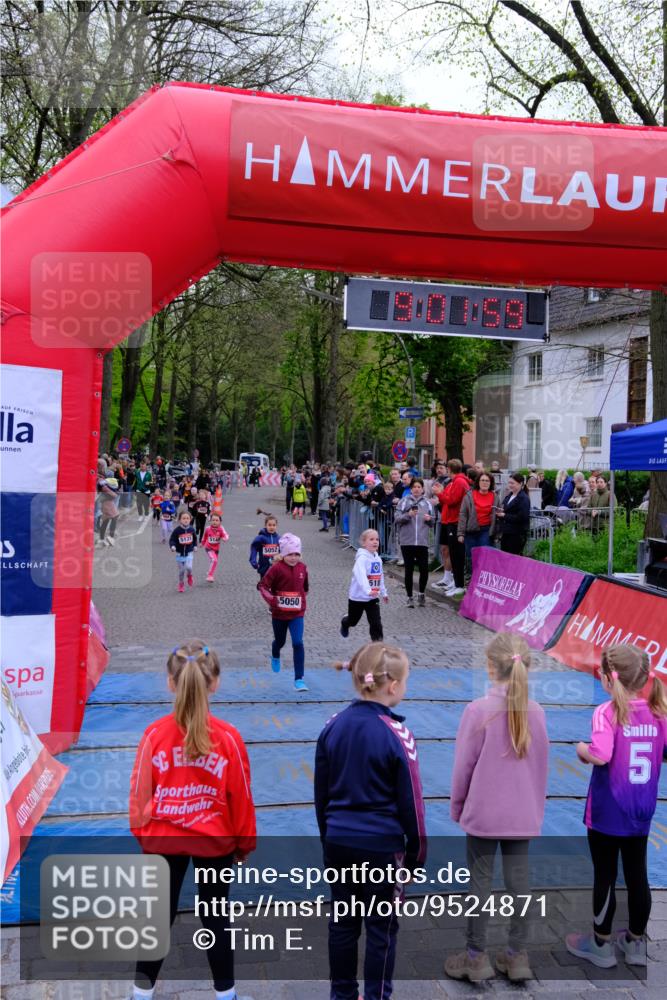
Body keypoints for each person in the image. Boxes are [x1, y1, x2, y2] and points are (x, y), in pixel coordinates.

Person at [129, 639, 256, 1000]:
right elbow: (242, 799)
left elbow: (138, 793)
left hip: (162, 841)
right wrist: (244, 843)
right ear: (215, 682)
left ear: (170, 682)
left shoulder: (154, 735)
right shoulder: (228, 738)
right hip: (214, 841)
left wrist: (144, 834)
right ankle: (225, 994)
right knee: (216, 917)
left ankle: (141, 994)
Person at [315, 642, 426, 1000]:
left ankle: (342, 994)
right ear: (391, 685)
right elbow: (413, 804)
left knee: (343, 925)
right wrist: (415, 857)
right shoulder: (398, 735)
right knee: (381, 930)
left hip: (339, 842)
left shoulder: (332, 726)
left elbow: (321, 794)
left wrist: (327, 840)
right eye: (406, 681)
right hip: (382, 850)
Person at [446, 633, 548, 983]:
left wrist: (458, 807)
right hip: (522, 814)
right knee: (520, 884)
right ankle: (517, 956)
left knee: (480, 885)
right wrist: (534, 810)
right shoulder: (537, 712)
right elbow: (541, 767)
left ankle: (476, 958)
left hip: (484, 816)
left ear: (490, 668)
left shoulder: (478, 711)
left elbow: (464, 766)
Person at [565, 644, 667, 970]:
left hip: (608, 812)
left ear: (610, 678)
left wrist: (582, 749)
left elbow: (601, 754)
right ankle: (636, 943)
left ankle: (601, 944)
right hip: (641, 810)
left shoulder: (606, 712)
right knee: (638, 875)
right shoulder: (659, 712)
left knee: (605, 875)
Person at [258, 533, 309, 691]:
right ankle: (275, 653)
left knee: (298, 643)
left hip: (296, 614)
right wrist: (272, 600)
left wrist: (300, 599)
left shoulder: (302, 568)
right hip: (279, 614)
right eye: (290, 554)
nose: (293, 558)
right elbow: (262, 586)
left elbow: (305, 587)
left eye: (296, 554)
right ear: (283, 554)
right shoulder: (276, 568)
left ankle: (299, 679)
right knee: (280, 642)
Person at [340, 529, 388, 641]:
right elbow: (360, 576)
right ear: (363, 543)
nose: (375, 542)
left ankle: (377, 645)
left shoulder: (378, 559)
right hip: (358, 598)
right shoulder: (361, 559)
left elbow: (379, 576)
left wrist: (384, 592)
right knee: (353, 621)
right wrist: (367, 590)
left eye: (377, 539)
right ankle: (345, 622)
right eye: (371, 539)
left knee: (376, 623)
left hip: (372, 598)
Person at [433, 459, 470, 597]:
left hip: (455, 522)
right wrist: (442, 492)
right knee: (454, 554)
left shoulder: (459, 482)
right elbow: (449, 498)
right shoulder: (455, 482)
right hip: (451, 521)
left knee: (457, 554)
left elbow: (452, 501)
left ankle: (459, 585)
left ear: (449, 469)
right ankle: (456, 583)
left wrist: (439, 493)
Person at [394, 478, 434, 607]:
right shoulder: (404, 501)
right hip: (407, 541)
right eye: (414, 487)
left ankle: (421, 594)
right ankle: (409, 596)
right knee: (409, 570)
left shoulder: (427, 503)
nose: (417, 489)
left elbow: (433, 522)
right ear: (411, 489)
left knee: (424, 569)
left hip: (422, 542)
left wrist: (429, 519)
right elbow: (397, 519)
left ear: (422, 489)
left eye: (419, 487)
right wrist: (408, 515)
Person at [457, 472, 496, 560]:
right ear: (478, 482)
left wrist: (497, 534)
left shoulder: (495, 497)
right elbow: (463, 515)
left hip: (486, 530)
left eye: (487, 481)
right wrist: (460, 534)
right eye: (482, 480)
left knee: (484, 556)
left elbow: (497, 515)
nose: (485, 482)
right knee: (471, 557)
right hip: (470, 530)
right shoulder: (469, 496)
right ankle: (472, 574)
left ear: (491, 483)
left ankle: (481, 573)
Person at [497, 473, 531, 556]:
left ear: (521, 484)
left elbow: (522, 517)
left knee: (513, 560)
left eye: (512, 483)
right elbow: (506, 509)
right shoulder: (509, 495)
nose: (510, 485)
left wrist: (504, 515)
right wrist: (500, 511)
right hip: (507, 532)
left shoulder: (524, 498)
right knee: (505, 558)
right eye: (509, 483)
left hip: (517, 535)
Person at [169, 510, 197, 593]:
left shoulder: (192, 529)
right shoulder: (177, 530)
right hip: (179, 553)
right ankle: (181, 583)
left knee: (189, 567)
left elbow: (195, 539)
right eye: (184, 518)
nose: (186, 520)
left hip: (189, 553)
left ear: (190, 519)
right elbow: (172, 540)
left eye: (187, 518)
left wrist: (195, 546)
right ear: (180, 520)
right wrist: (173, 546)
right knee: (181, 571)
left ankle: (189, 575)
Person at [249, 511, 281, 580]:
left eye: (274, 525)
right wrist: (253, 560)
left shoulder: (279, 538)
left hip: (276, 567)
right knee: (264, 586)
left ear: (276, 526)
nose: (272, 527)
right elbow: (254, 547)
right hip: (264, 567)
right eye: (269, 525)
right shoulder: (261, 538)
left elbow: (282, 551)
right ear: (265, 525)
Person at [202, 512, 229, 583]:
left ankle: (209, 573)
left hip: (216, 549)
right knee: (214, 560)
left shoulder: (221, 528)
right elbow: (205, 537)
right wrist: (202, 543)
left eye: (217, 520)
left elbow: (225, 535)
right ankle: (210, 575)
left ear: (220, 522)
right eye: (213, 520)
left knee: (214, 561)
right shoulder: (207, 529)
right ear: (210, 521)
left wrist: (225, 538)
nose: (215, 522)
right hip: (208, 547)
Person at [97, 472, 120, 547]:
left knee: (106, 521)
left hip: (107, 502)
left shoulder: (104, 481)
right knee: (114, 517)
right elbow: (104, 489)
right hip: (107, 503)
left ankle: (102, 539)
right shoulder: (102, 483)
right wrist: (114, 494)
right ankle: (110, 537)